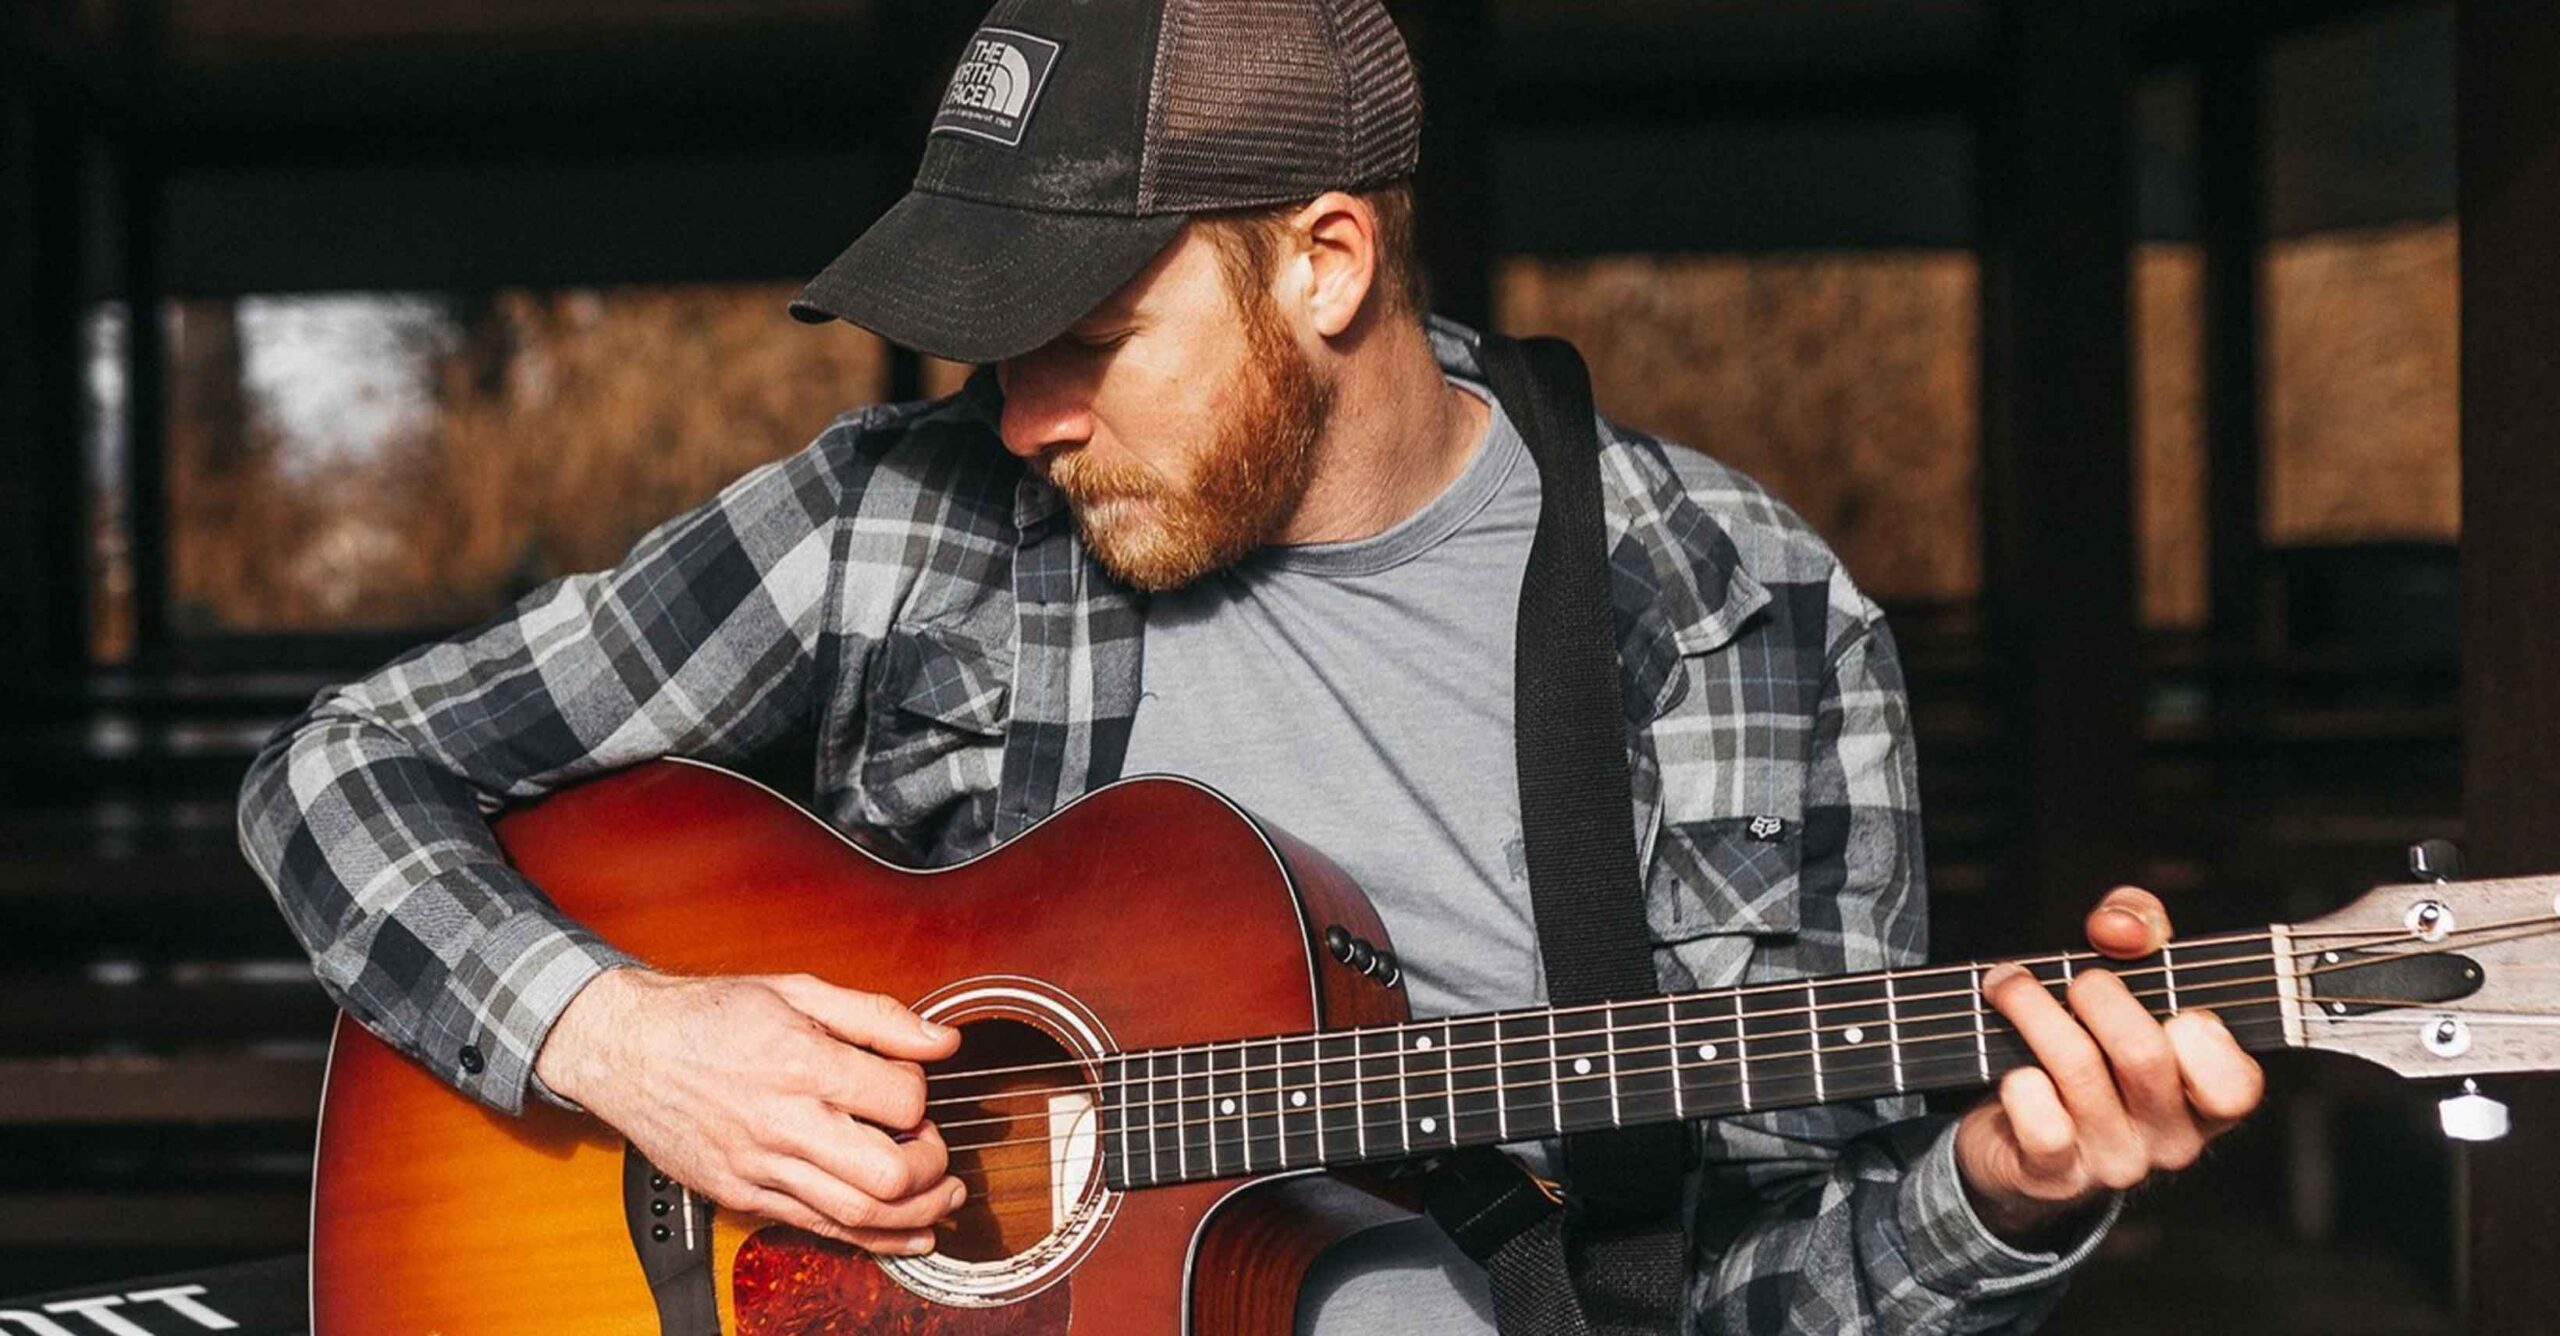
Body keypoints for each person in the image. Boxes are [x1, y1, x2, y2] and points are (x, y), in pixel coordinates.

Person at [234, 0, 2264, 1330]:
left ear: (1323, 261)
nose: (1021, 415)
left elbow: (1758, 1294)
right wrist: (620, 1038)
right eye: (990, 346)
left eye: (1085, 341)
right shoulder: (898, 518)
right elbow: (336, 772)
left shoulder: (1739, 613)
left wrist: (2001, 1194)